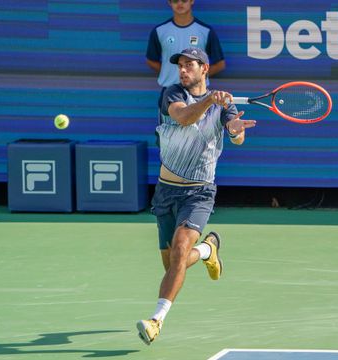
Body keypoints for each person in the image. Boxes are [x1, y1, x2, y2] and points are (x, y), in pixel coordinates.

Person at [136, 47, 256, 345]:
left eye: (190, 65)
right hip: (165, 191)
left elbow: (234, 133)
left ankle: (156, 321)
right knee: (173, 265)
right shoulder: (171, 94)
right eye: (180, 65)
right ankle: (207, 250)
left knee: (178, 252)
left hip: (199, 192)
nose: (183, 70)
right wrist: (207, 102)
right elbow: (184, 117)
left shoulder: (223, 103)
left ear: (205, 69)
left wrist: (237, 130)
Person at [146, 0, 226, 128]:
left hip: (199, 95)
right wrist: (169, 73)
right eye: (175, 0)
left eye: (184, 0)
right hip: (170, 94)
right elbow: (151, 60)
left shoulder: (205, 31)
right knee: (167, 140)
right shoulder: (159, 31)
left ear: (192, 1)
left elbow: (220, 64)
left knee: (201, 139)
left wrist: (196, 77)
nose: (180, 3)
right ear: (169, 2)